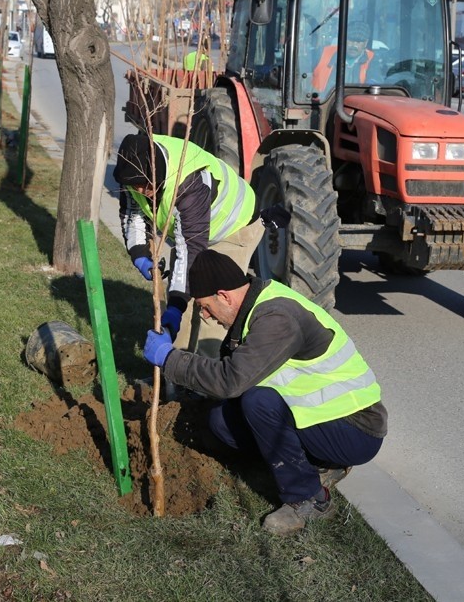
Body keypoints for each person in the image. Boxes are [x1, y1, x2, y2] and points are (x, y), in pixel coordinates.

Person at [141, 250, 387, 536]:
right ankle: (314, 464)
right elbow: (229, 376)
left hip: (355, 429)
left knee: (258, 401)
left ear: (224, 295)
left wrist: (170, 360)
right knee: (221, 421)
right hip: (321, 419)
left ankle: (310, 500)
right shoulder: (252, 308)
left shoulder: (277, 318)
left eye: (206, 307)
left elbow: (230, 380)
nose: (206, 316)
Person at [113, 134, 268, 358]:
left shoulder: (187, 182)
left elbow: (190, 252)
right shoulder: (132, 167)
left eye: (143, 184)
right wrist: (139, 255)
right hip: (192, 230)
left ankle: (207, 376)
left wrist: (176, 304)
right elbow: (133, 214)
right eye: (133, 185)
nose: (139, 190)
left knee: (214, 303)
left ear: (156, 171)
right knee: (182, 300)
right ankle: (177, 370)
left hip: (234, 225)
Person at [311, 21, 383, 92]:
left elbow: (375, 81)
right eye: (351, 40)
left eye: (358, 42)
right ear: (344, 39)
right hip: (325, 101)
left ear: (365, 43)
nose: (354, 45)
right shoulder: (323, 53)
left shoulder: (372, 59)